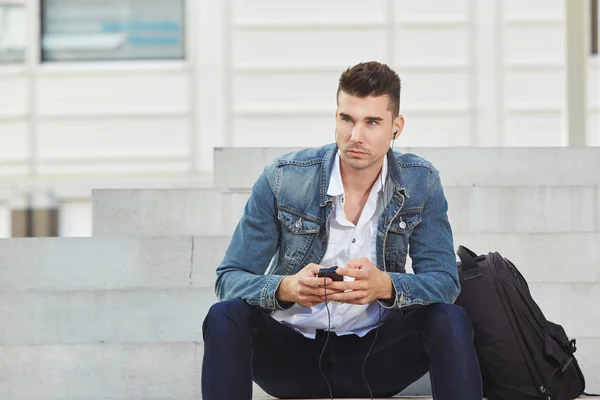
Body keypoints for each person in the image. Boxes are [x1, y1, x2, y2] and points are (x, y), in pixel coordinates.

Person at [202, 61, 482, 400]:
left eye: (372, 122)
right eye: (346, 119)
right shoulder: (283, 178)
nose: (355, 136)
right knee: (224, 316)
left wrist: (387, 285)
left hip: (377, 358)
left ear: (396, 127)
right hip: (292, 359)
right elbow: (229, 278)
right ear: (336, 116)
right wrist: (286, 288)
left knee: (450, 318)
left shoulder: (421, 182)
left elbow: (444, 282)